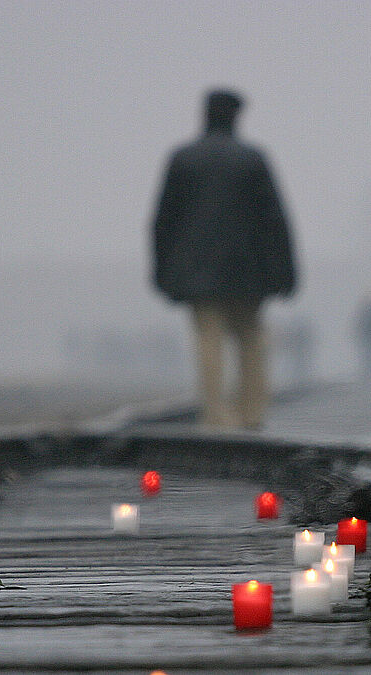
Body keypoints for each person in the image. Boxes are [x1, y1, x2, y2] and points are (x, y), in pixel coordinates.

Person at [151, 89, 297, 429]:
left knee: (208, 340)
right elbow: (273, 220)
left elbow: (165, 221)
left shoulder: (183, 159)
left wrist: (163, 271)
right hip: (248, 272)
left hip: (197, 272)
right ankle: (251, 412)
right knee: (250, 338)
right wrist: (284, 272)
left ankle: (215, 414)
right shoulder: (252, 160)